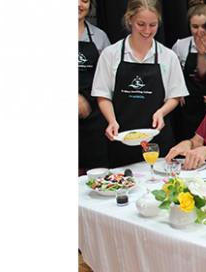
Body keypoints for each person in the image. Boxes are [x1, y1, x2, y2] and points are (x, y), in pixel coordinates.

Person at [92, 0, 189, 168]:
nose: (147, 31)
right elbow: (103, 95)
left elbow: (175, 96)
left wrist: (161, 112)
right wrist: (111, 120)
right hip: (121, 138)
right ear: (129, 19)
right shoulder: (111, 54)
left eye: (153, 25)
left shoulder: (167, 56)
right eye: (141, 24)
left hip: (158, 140)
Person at [170, 0, 206, 143]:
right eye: (195, 26)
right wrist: (177, 90)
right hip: (190, 109)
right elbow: (169, 71)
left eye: (205, 26)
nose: (200, 31)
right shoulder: (181, 46)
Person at [78, 0, 111, 177]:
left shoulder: (99, 37)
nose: (80, 4)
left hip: (95, 117)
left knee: (96, 176)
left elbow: (108, 76)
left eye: (84, 0)